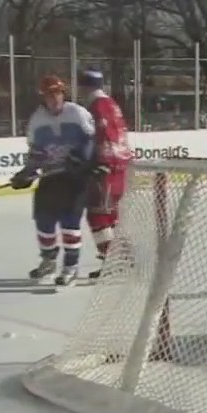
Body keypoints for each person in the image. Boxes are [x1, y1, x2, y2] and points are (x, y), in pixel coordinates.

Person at [10, 74, 98, 286]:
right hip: (51, 176)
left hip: (76, 177)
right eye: (50, 94)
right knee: (43, 220)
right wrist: (27, 172)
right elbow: (36, 153)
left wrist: (82, 158)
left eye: (58, 93)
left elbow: (93, 140)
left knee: (69, 222)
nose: (55, 98)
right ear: (43, 97)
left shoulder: (77, 113)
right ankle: (48, 261)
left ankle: (70, 266)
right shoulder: (37, 120)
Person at [76, 70, 135, 280]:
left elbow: (105, 134)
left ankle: (113, 261)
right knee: (110, 216)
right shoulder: (110, 103)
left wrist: (102, 162)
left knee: (98, 216)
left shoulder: (97, 106)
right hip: (119, 166)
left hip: (108, 168)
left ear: (85, 86)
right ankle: (124, 257)